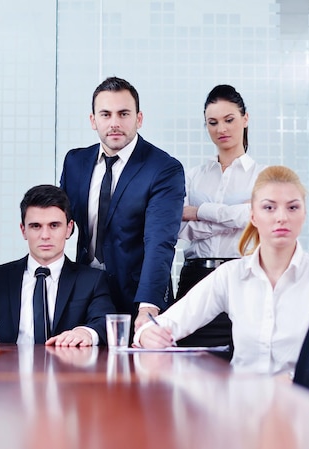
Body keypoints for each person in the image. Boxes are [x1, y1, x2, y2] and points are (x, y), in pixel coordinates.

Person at [134, 166, 309, 375]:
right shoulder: (231, 275)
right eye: (269, 207)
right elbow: (170, 322)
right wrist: (147, 334)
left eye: (293, 207)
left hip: (300, 405)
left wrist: (296, 383)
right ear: (253, 216)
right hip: (243, 403)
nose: (281, 217)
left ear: (304, 214)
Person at [60, 76, 185, 331]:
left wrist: (149, 305)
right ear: (93, 121)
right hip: (84, 294)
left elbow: (160, 241)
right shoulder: (75, 162)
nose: (115, 123)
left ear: (138, 119)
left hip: (137, 297)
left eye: (123, 114)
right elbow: (60, 225)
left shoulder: (163, 169)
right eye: (105, 114)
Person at [0, 185, 116, 346]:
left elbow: (105, 322)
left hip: (68, 367)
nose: (45, 236)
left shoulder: (91, 280)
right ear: (23, 230)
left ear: (69, 228)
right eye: (36, 226)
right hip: (7, 367)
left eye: (54, 225)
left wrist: (85, 332)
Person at [176, 85, 265, 353]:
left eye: (229, 120)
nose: (221, 129)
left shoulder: (264, 175)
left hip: (244, 278)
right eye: (212, 123)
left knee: (246, 366)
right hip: (196, 277)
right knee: (190, 368)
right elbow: (179, 227)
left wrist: (200, 211)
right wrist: (229, 219)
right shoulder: (192, 176)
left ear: (245, 119)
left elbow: (253, 218)